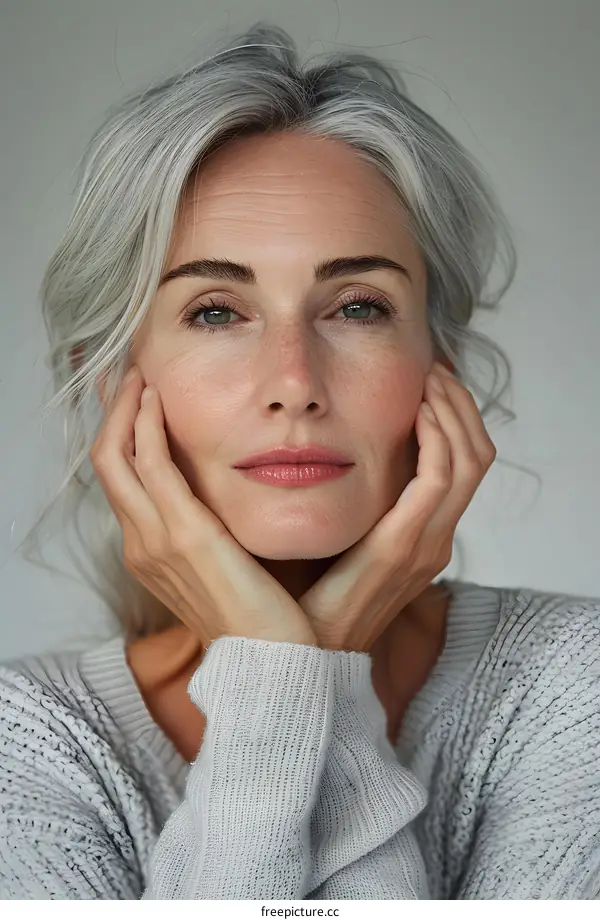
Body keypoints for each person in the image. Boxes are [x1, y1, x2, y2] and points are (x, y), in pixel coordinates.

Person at [1, 20, 599, 901]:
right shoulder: (27, 746)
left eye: (357, 307)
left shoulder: (574, 683)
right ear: (118, 384)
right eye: (215, 310)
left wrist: (296, 679)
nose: (294, 383)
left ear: (442, 369)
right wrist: (294, 674)